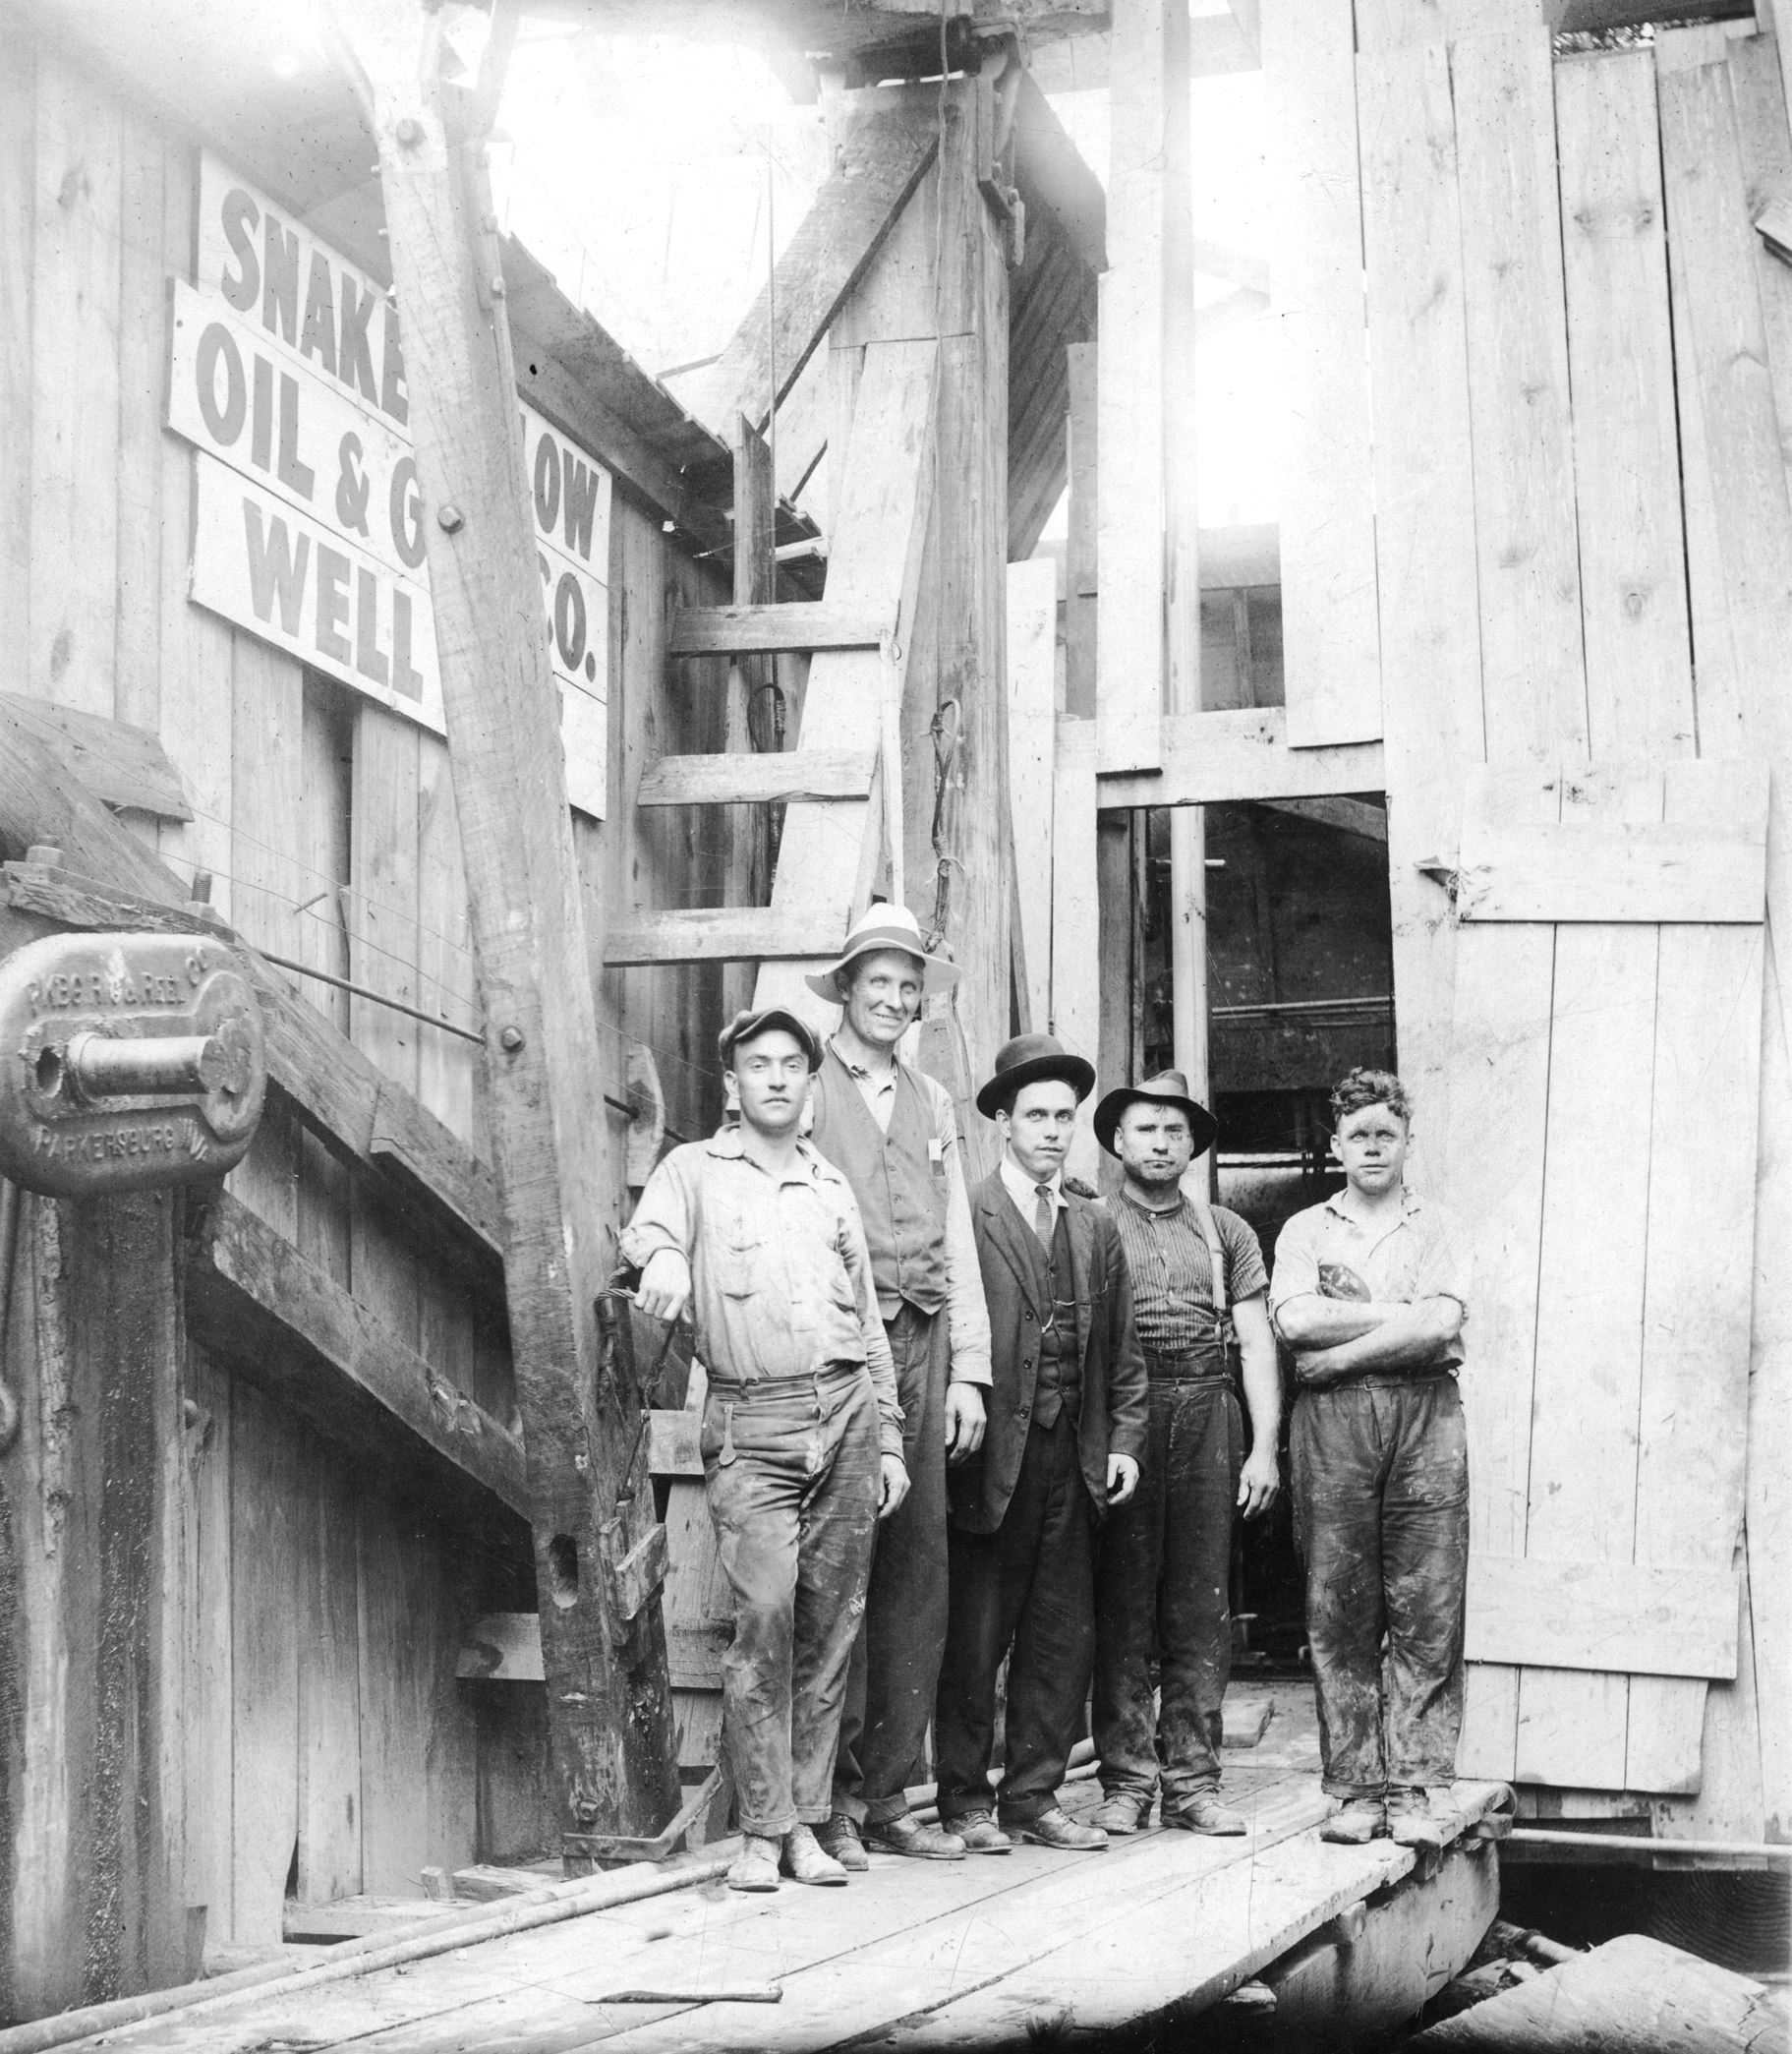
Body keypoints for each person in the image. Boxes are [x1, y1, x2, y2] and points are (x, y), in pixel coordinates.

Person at [622, 1006, 909, 1893]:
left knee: (830, 1631)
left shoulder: (829, 1184)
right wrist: (664, 1260)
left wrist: (891, 1441)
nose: (777, 1077)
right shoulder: (694, 1171)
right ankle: (761, 1830)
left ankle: (808, 1825)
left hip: (848, 1416)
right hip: (752, 1422)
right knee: (766, 1622)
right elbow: (647, 1234)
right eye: (759, 1063)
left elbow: (868, 1323)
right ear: (732, 1082)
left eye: (791, 1063)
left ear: (808, 1081)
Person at [801, 906, 994, 1867]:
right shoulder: (803, 1086)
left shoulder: (932, 1099)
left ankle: (887, 1797)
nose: (892, 998)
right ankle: (828, 1800)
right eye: (876, 981)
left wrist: (970, 1370)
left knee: (918, 1571)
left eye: (907, 985)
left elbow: (955, 1238)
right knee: (840, 1572)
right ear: (846, 987)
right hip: (836, 1349)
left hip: (922, 1338)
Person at [933, 1033, 1149, 1853]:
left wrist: (1123, 1441)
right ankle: (962, 1799)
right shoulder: (970, 1213)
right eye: (1037, 1116)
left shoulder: (1092, 1224)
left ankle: (1033, 1796)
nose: (1053, 1131)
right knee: (976, 1636)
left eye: (1064, 1116)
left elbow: (1122, 1351)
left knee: (1060, 1635)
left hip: (1075, 1459)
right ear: (1003, 1121)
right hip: (991, 1460)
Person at [1268, 1067, 1470, 1849]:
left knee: (1427, 1601)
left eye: (1387, 1133)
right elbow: (1293, 1320)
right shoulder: (1304, 1230)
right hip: (1334, 1425)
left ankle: (1416, 1784)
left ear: (1407, 1140)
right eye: (1359, 1134)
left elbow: (1440, 1327)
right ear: (1336, 1144)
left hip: (1425, 1412)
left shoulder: (1439, 1223)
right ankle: (1354, 1788)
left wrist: (1338, 1350)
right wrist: (1403, 1315)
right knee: (1337, 1599)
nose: (1373, 1146)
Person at [1086, 1071, 1282, 1838]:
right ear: (1117, 1140)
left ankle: (1194, 1784)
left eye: (1174, 1130)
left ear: (1192, 1143)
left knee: (1200, 1606)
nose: (1161, 1142)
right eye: (1145, 1128)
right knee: (1123, 1602)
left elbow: (1255, 1342)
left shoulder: (1226, 1230)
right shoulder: (1092, 1221)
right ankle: (1125, 1782)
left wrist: (1263, 1448)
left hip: (1207, 1407)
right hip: (1126, 1413)